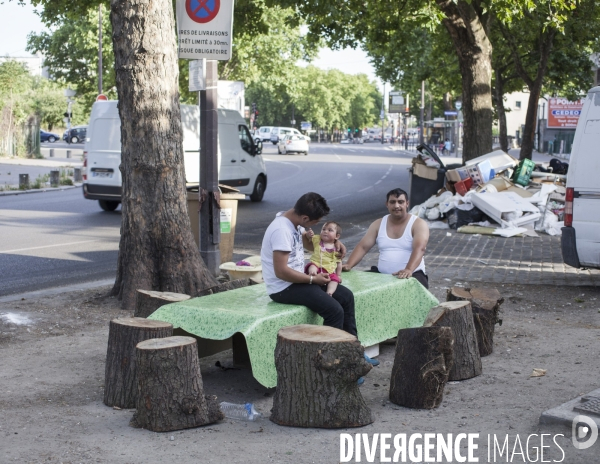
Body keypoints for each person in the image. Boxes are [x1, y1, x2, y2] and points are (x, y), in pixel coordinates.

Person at [260, 192, 357, 336]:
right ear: (305, 218)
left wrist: (334, 243)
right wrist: (312, 279)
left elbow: (312, 247)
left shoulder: (295, 221)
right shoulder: (281, 230)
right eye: (316, 222)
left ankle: (352, 349)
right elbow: (280, 271)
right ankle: (330, 356)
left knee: (346, 297)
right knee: (334, 311)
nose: (317, 225)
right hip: (283, 288)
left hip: (298, 280)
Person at [342, 188, 430, 289]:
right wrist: (349, 264)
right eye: (392, 202)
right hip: (382, 275)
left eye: (400, 202)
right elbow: (363, 247)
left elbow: (420, 248)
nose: (396, 206)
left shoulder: (418, 224)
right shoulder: (378, 224)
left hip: (412, 274)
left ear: (407, 204)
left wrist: (408, 270)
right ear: (387, 204)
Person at [304, 221, 343, 297]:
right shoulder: (317, 239)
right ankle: (312, 275)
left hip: (329, 270)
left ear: (337, 236)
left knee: (335, 280)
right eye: (323, 229)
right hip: (316, 264)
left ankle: (329, 292)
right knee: (312, 266)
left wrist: (338, 275)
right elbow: (308, 238)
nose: (325, 231)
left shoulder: (337, 248)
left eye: (330, 230)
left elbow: (339, 263)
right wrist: (308, 235)